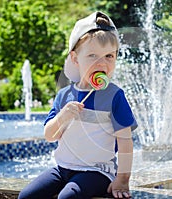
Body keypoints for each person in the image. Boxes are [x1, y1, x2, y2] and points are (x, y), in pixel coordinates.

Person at [18, 11, 137, 199]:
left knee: (67, 198)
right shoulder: (64, 95)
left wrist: (122, 179)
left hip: (97, 171)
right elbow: (50, 135)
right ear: (75, 58)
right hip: (63, 168)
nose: (102, 63)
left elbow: (125, 142)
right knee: (26, 196)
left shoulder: (114, 96)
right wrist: (63, 116)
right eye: (93, 55)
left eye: (109, 56)